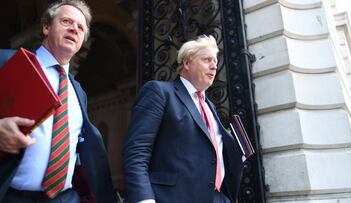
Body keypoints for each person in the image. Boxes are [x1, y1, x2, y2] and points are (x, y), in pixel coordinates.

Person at [0, 0, 117, 202]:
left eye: (81, 28)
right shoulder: (6, 62)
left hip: (65, 198)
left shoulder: (78, 92)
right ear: (46, 27)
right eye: (66, 21)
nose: (74, 29)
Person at [122, 35, 244, 203]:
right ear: (187, 63)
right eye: (207, 59)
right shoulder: (159, 92)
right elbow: (137, 151)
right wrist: (144, 199)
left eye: (215, 61)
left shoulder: (210, 106)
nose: (214, 66)